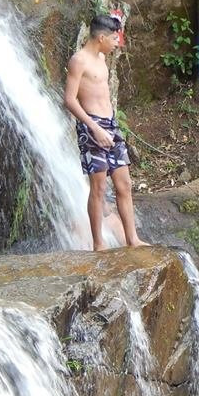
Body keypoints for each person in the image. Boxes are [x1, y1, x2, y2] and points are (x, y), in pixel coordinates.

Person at [64, 14, 147, 251]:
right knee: (99, 187)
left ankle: (133, 239)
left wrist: (110, 125)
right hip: (91, 127)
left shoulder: (101, 57)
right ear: (101, 37)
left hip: (111, 125)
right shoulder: (78, 61)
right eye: (114, 39)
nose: (117, 43)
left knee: (124, 184)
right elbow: (69, 99)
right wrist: (94, 127)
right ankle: (98, 244)